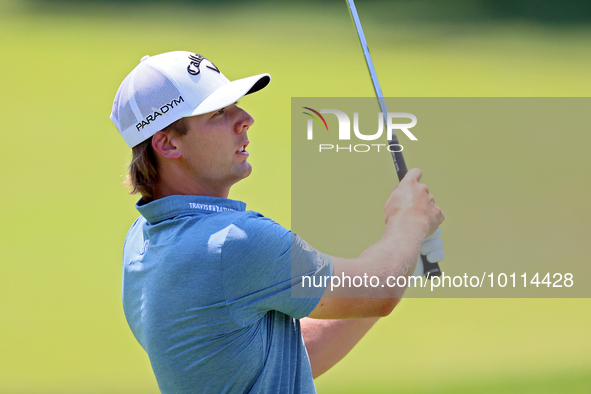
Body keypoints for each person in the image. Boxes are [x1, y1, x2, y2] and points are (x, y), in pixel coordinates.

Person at [110, 51, 444, 394]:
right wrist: (409, 221)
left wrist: (404, 253)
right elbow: (377, 291)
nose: (245, 118)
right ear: (167, 143)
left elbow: (287, 358)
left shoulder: (143, 240)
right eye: (218, 113)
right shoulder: (234, 242)